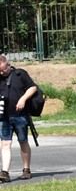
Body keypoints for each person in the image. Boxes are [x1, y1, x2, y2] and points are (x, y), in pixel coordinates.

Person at [0, 54, 39, 182]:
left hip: (20, 115)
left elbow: (33, 87)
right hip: (4, 117)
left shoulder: (20, 74)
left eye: (3, 69)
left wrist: (23, 98)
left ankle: (26, 169)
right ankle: (5, 172)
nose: (1, 72)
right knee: (5, 143)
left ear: (8, 65)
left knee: (23, 141)